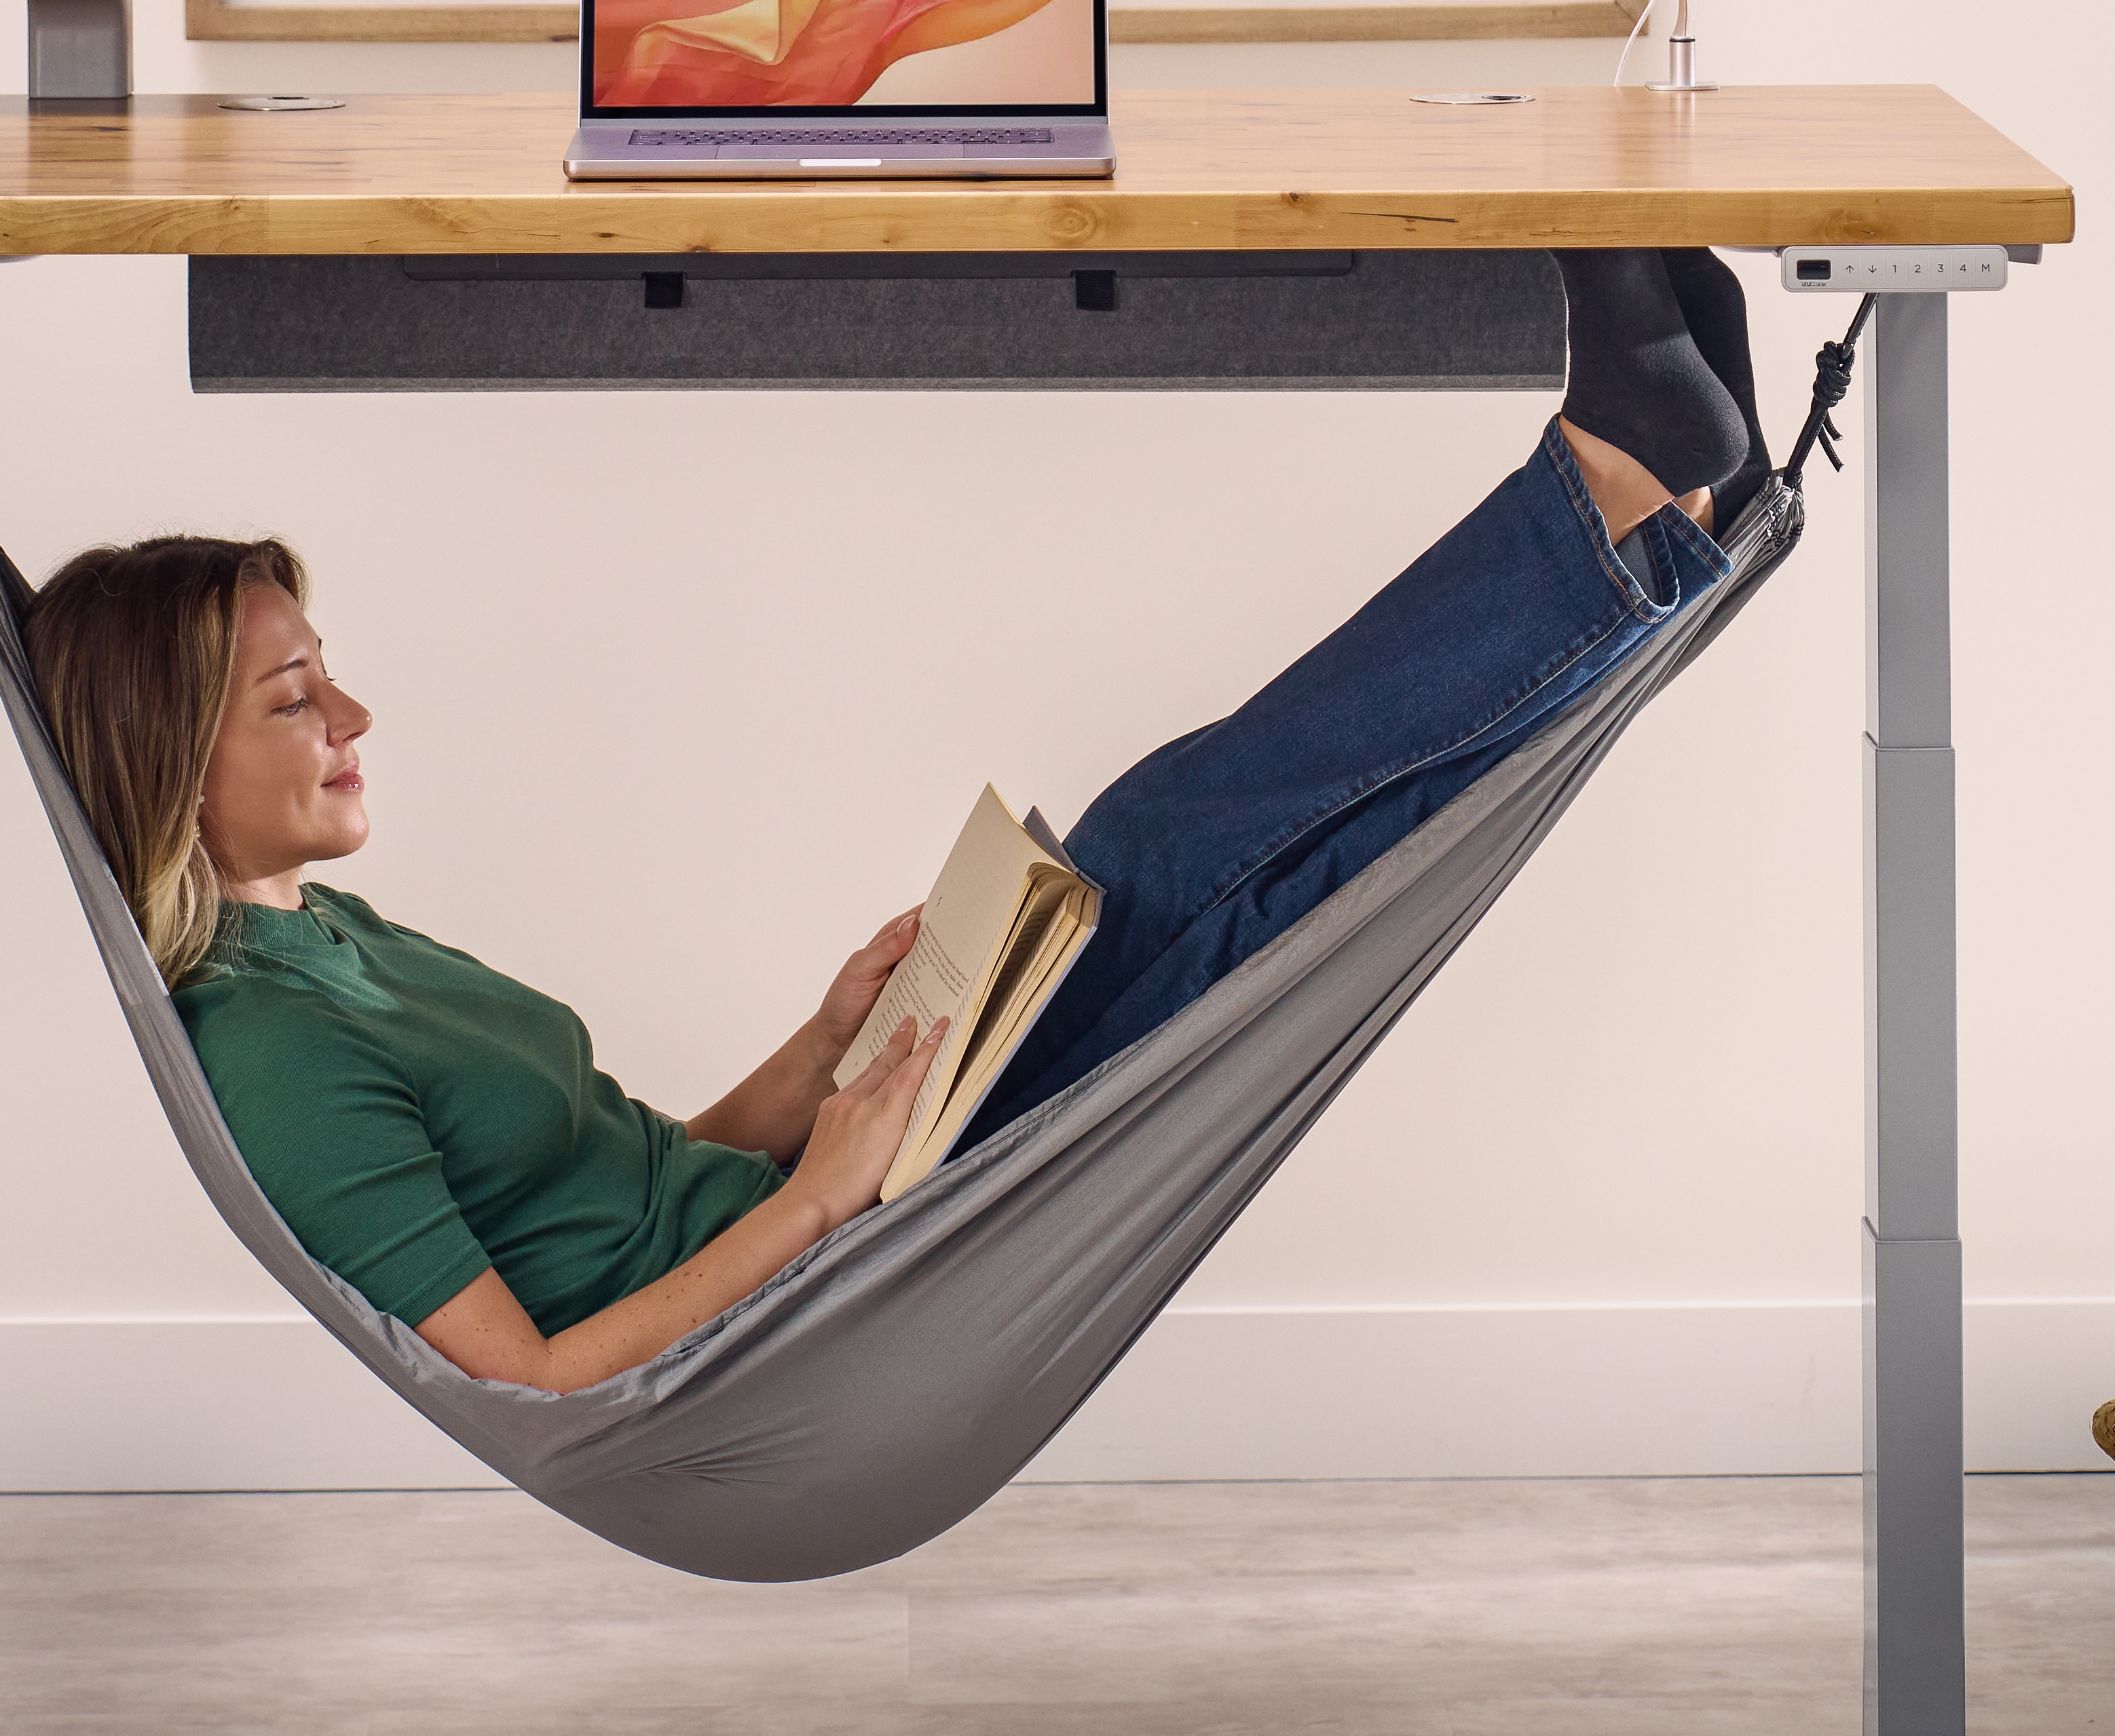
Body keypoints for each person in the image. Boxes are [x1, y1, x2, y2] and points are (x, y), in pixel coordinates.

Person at [24, 249, 1772, 1395]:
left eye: (328, 673)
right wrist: (820, 1200)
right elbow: (535, 1389)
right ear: (174, 759)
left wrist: (825, 1045)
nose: (354, 718)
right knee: (1172, 854)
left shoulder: (315, 936)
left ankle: (1652, 518)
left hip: (814, 1203)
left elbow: (613, 1174)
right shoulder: (270, 1053)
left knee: (1230, 896)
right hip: (801, 1314)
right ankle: (1624, 495)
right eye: (293, 699)